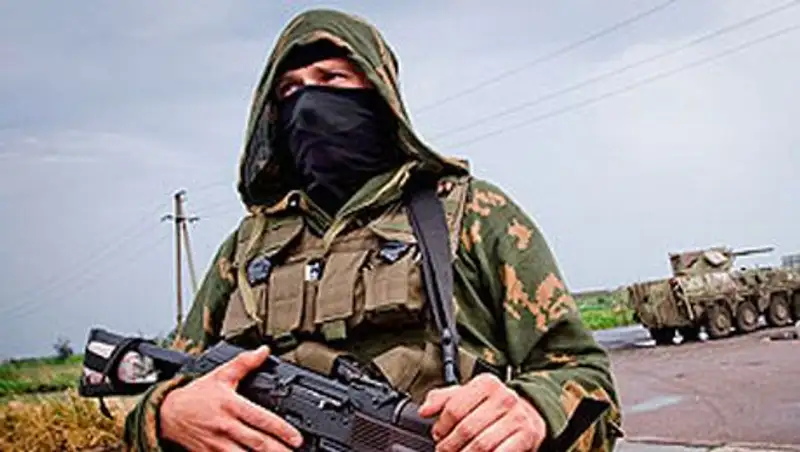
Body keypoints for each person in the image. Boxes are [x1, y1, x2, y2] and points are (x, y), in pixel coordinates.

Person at [123, 8, 623, 452]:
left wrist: (533, 412)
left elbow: (586, 378)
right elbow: (160, 382)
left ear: (379, 94)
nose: (308, 103)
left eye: (331, 78)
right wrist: (166, 416)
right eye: (290, 90)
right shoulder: (246, 247)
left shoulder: (472, 213)